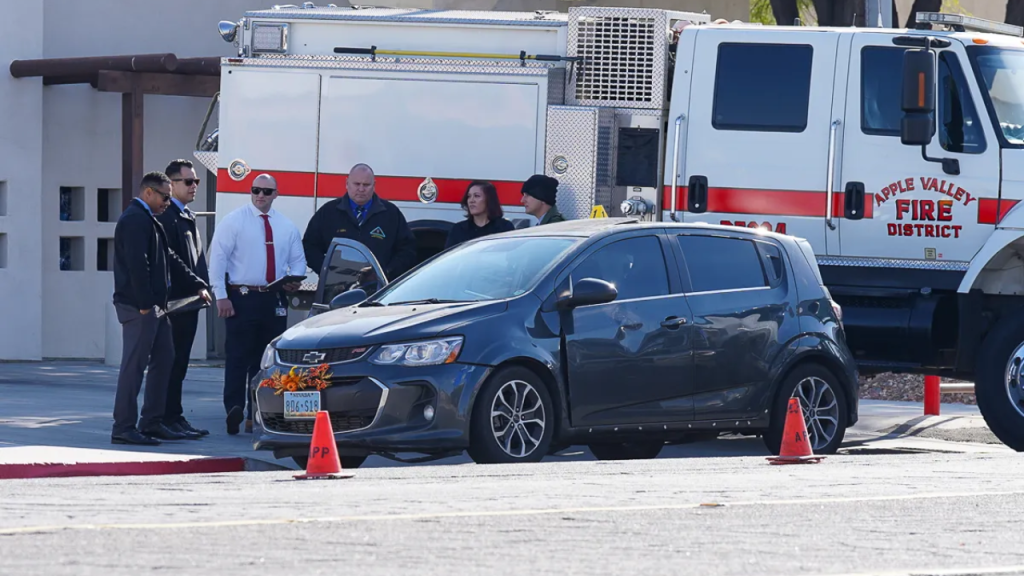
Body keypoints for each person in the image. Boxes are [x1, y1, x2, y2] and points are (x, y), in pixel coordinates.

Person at [111, 171, 211, 446]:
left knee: (165, 358)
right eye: (165, 197)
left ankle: (152, 422)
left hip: (157, 308)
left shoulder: (150, 220)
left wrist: (197, 283)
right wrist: (145, 305)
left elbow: (170, 258)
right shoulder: (134, 220)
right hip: (139, 307)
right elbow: (137, 266)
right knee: (134, 367)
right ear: (148, 193)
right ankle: (123, 427)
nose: (168, 202)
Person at [207, 173, 306, 435]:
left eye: (266, 191)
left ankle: (258, 412)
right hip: (242, 296)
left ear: (275, 194)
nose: (260, 195)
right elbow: (217, 259)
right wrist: (221, 295)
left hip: (273, 297)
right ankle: (234, 408)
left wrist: (293, 279)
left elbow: (298, 261)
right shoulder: (234, 221)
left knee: (267, 360)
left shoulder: (286, 226)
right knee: (238, 356)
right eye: (256, 190)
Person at [155, 159, 211, 439]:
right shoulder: (167, 216)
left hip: (191, 302)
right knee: (171, 363)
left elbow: (196, 260)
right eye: (188, 182)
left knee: (181, 364)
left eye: (196, 181)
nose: (194, 187)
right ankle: (164, 417)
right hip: (175, 303)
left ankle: (175, 417)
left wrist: (203, 285)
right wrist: (196, 284)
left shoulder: (187, 215)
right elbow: (171, 261)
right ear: (171, 183)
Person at [302, 163, 417, 281]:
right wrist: (328, 272)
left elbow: (408, 250)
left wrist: (386, 273)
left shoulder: (391, 214)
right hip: (336, 290)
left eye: (366, 185)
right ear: (347, 183)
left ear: (374, 185)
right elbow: (309, 247)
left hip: (379, 290)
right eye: (357, 184)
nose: (361, 189)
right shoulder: (328, 213)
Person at [444, 180, 515, 249]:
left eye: (477, 196)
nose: (471, 200)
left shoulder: (504, 228)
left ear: (489, 200)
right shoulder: (458, 229)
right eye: (469, 196)